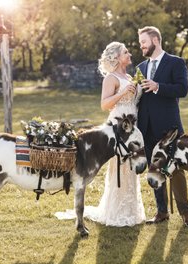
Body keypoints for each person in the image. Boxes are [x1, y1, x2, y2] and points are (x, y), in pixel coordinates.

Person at [55, 42, 145, 227]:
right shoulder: (111, 78)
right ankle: (117, 213)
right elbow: (104, 105)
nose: (129, 54)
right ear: (116, 58)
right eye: (125, 52)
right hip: (119, 126)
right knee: (120, 166)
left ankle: (131, 212)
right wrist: (122, 94)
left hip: (133, 123)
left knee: (132, 166)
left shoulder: (129, 76)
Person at [137, 26, 188, 227]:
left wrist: (158, 87)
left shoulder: (175, 62)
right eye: (140, 43)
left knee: (176, 169)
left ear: (155, 40)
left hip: (170, 129)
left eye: (143, 42)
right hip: (148, 129)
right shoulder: (140, 68)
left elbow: (183, 89)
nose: (141, 46)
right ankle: (161, 212)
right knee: (154, 169)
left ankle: (186, 213)